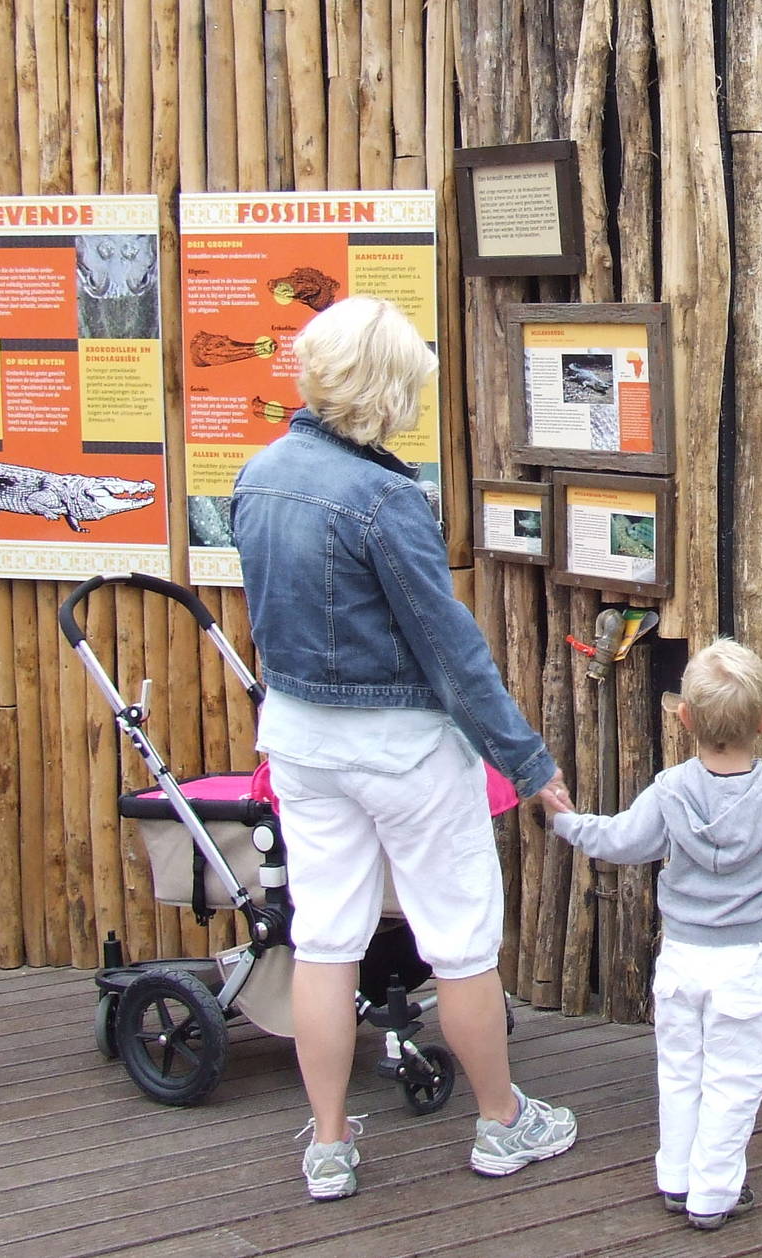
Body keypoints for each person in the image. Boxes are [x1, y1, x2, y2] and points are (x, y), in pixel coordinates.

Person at [231, 295, 577, 1201]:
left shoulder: (256, 477)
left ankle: (331, 1145)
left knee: (325, 938)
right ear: (386, 391)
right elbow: (452, 654)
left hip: (301, 743)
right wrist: (530, 764)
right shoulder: (386, 500)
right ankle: (502, 1124)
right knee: (459, 942)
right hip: (403, 751)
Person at [541, 639, 762, 1231]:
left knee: (680, 1070)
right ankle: (714, 1194)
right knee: (734, 1080)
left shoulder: (670, 791)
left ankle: (675, 1176)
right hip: (748, 964)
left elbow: (621, 841)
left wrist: (565, 820)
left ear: (684, 718)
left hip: (682, 959)